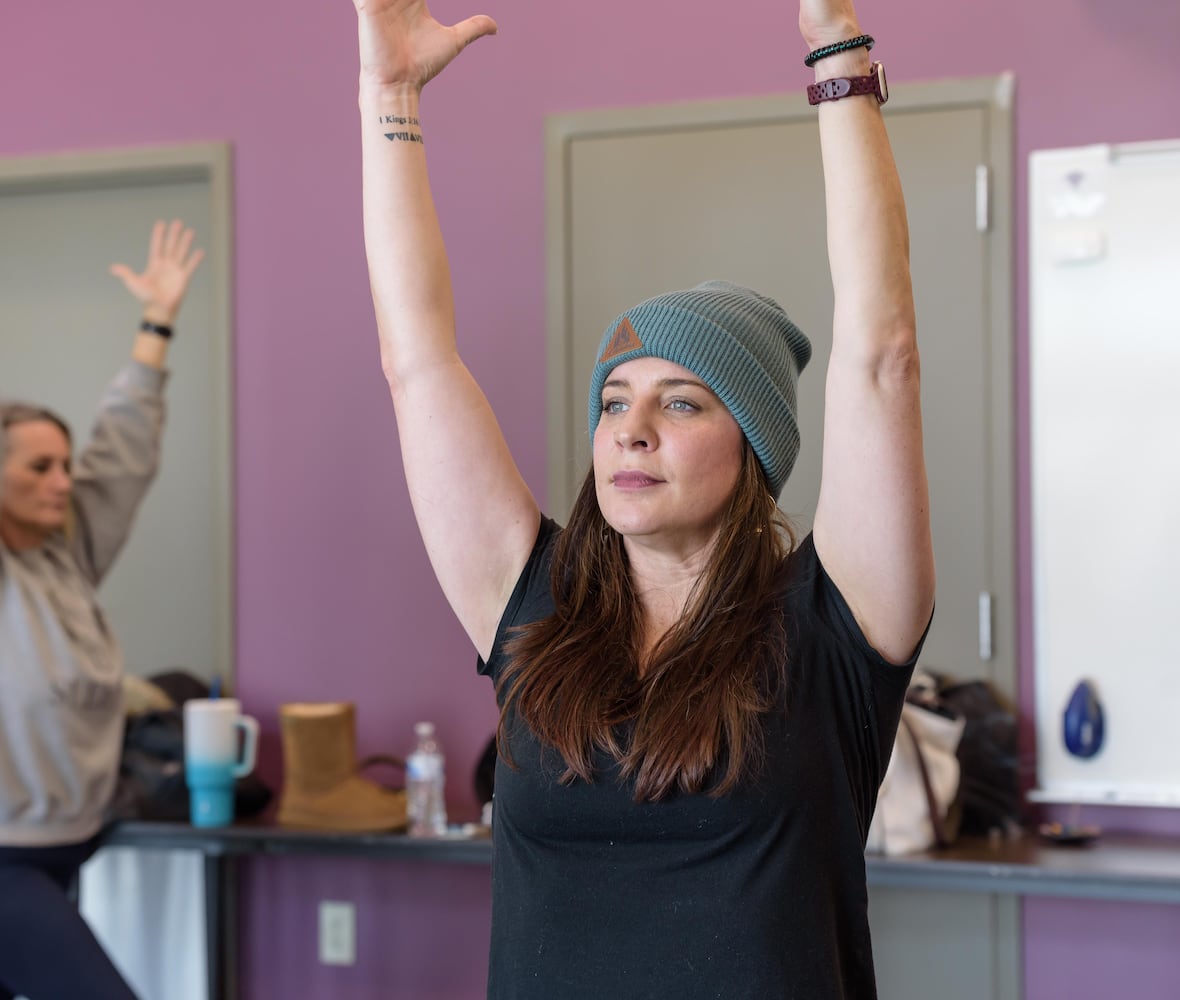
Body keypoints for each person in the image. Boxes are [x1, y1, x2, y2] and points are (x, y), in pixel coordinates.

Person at [352, 0, 932, 995]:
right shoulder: (529, 602)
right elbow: (418, 359)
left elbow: (881, 354)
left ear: (752, 446)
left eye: (681, 402)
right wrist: (390, 97)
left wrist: (837, 45)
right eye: (614, 401)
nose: (630, 427)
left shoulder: (834, 627)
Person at [0, 183, 204, 1000]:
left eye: (63, 466)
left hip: (64, 845)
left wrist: (156, 328)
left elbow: (122, 457)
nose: (61, 482)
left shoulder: (64, 559)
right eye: (37, 466)